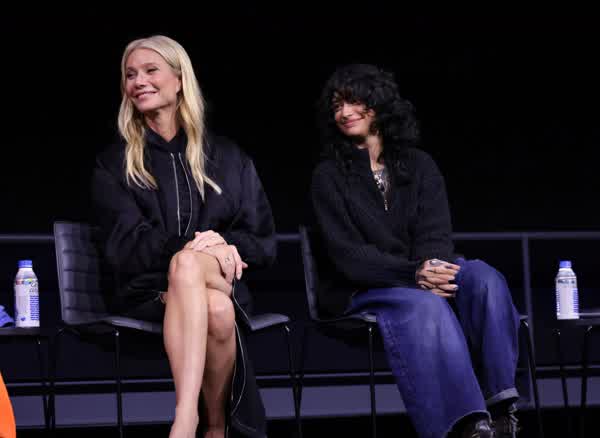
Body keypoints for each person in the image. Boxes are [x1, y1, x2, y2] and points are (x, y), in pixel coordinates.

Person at [310, 64, 521, 438]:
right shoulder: (328, 176)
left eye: (354, 101)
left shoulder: (419, 165)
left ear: (379, 103)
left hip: (420, 276)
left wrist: (432, 268)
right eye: (337, 105)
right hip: (363, 289)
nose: (344, 112)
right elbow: (349, 257)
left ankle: (501, 408)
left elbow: (435, 233)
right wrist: (413, 274)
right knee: (425, 304)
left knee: (484, 279)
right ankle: (466, 423)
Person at [91, 35, 275, 438]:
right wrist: (190, 246)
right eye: (130, 75)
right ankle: (212, 427)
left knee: (194, 269)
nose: (138, 81)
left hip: (222, 280)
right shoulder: (114, 164)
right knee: (217, 308)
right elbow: (124, 247)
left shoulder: (228, 157)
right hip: (148, 295)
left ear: (179, 80)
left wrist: (222, 246)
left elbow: (263, 243)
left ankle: (185, 418)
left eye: (150, 70)